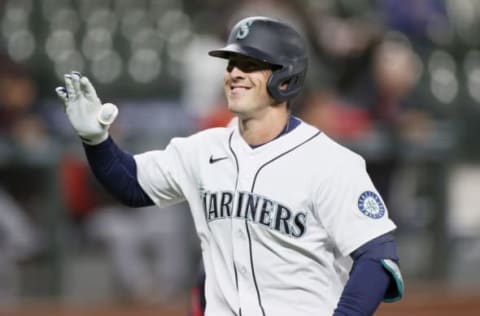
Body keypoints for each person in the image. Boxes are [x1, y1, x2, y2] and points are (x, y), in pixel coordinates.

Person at [55, 16, 404, 316]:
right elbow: (131, 184)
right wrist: (96, 141)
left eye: (250, 65)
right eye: (231, 64)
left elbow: (378, 256)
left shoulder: (329, 163)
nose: (235, 73)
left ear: (286, 77)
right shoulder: (203, 149)